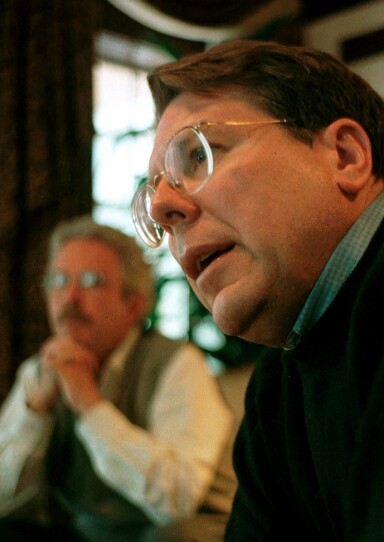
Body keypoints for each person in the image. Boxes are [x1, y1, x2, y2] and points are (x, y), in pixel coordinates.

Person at [131, 39, 384, 539]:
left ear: (346, 155)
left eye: (198, 156)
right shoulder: (276, 388)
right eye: (152, 192)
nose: (162, 207)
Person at [0, 217, 235, 542]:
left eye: (90, 281)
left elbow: (178, 500)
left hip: (190, 532)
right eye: (57, 280)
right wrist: (35, 412)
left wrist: (90, 405)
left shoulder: (176, 363)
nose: (69, 298)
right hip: (92, 537)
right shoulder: (42, 371)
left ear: (134, 304)